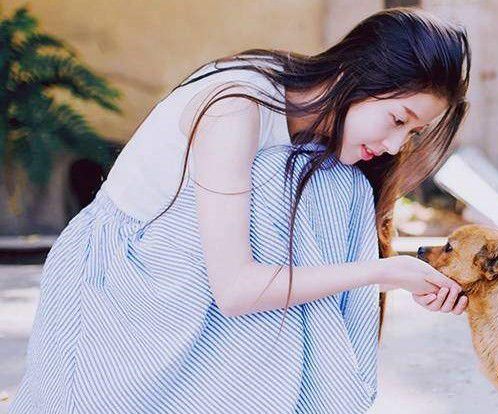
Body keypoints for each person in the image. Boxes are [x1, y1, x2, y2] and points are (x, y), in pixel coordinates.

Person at [9, 6, 471, 414]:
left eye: (412, 134)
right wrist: (380, 271)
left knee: (336, 182)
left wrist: (400, 275)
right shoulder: (237, 108)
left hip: (199, 269)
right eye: (398, 119)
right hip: (124, 277)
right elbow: (234, 289)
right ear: (355, 75)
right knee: (311, 178)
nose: (395, 145)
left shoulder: (319, 142)